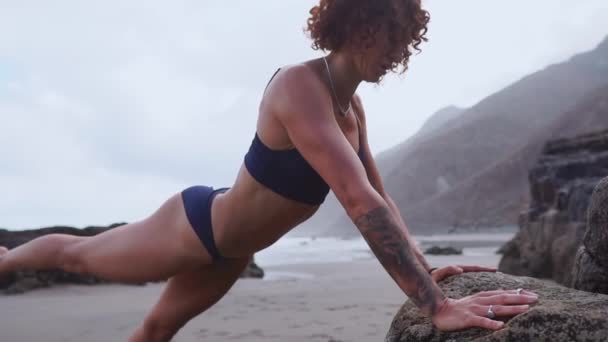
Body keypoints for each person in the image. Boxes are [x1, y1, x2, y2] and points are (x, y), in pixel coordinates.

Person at [0, 0, 538, 341]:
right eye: (393, 35)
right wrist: (435, 305)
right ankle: (4, 260)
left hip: (233, 251)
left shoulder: (353, 109)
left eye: (406, 41)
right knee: (76, 255)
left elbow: (379, 193)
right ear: (361, 22)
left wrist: (424, 269)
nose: (399, 53)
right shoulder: (298, 87)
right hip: (195, 226)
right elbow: (358, 203)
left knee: (161, 327)